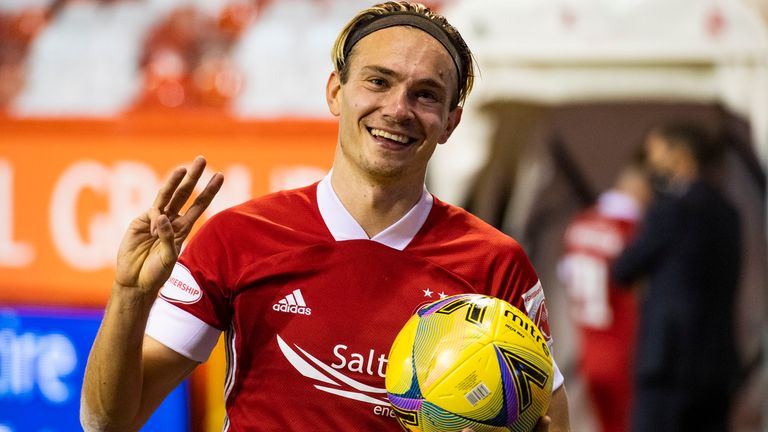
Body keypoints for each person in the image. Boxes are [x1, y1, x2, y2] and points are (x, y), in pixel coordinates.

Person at [80, 2, 570, 431]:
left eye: (425, 94)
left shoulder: (495, 265)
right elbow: (108, 421)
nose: (397, 109)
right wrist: (131, 294)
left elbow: (555, 421)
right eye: (379, 81)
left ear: (451, 121)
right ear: (336, 91)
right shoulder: (237, 238)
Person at [613, 122, 741, 432]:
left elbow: (623, 269)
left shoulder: (671, 210)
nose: (652, 165)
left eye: (656, 155)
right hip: (716, 364)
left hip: (667, 361)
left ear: (681, 155)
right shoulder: (728, 212)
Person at [559, 162, 652, 432]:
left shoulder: (580, 223)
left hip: (589, 345)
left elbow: (566, 276)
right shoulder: (632, 229)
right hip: (626, 346)